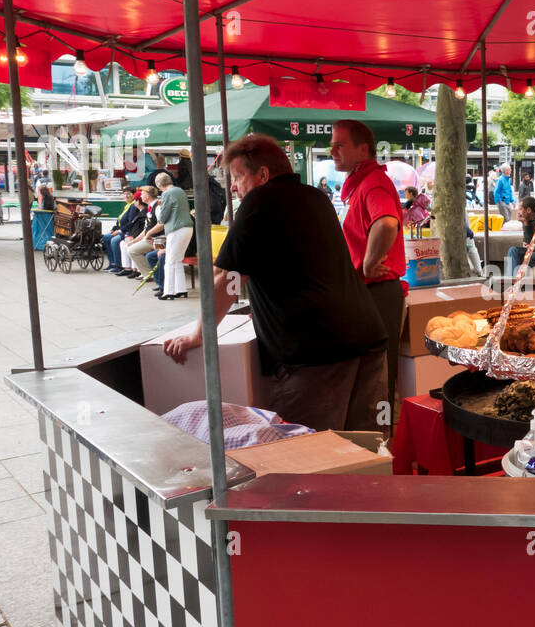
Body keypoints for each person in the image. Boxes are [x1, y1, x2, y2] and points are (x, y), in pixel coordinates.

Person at [163, 134, 388, 431]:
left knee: (309, 454)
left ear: (263, 175)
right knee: (368, 448)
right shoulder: (315, 197)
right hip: (367, 337)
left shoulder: (260, 201)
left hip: (316, 352)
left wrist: (199, 335)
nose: (233, 186)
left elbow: (227, 278)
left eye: (238, 176)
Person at [333, 119, 406, 415]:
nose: (333, 150)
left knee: (380, 376)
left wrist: (370, 262)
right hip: (371, 293)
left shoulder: (373, 183)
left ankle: (384, 445)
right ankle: (381, 441)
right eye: (332, 144)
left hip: (379, 292)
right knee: (374, 375)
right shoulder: (364, 182)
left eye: (340, 144)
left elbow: (387, 222)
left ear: (363, 149)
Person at [152, 171, 193, 300]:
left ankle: (168, 292)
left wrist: (158, 211)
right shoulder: (180, 191)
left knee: (169, 261)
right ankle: (181, 289)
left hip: (176, 229)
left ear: (159, 185)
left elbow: (163, 217)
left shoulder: (166, 194)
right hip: (188, 228)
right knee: (178, 260)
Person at [110, 189, 148, 276]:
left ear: (138, 202)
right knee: (122, 243)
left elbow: (140, 227)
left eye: (135, 200)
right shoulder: (135, 209)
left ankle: (136, 269)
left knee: (119, 242)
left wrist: (130, 236)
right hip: (132, 233)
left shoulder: (141, 211)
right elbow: (122, 221)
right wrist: (115, 228)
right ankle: (127, 267)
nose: (134, 202)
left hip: (138, 236)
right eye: (125, 194)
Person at [104, 187, 137, 271]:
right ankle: (112, 263)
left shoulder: (133, 206)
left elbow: (130, 222)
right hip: (121, 229)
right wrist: (114, 228)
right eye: (125, 194)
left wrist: (119, 231)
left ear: (133, 195)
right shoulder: (127, 205)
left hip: (127, 231)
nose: (126, 195)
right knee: (106, 237)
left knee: (114, 240)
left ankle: (118, 265)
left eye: (129, 193)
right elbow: (120, 220)